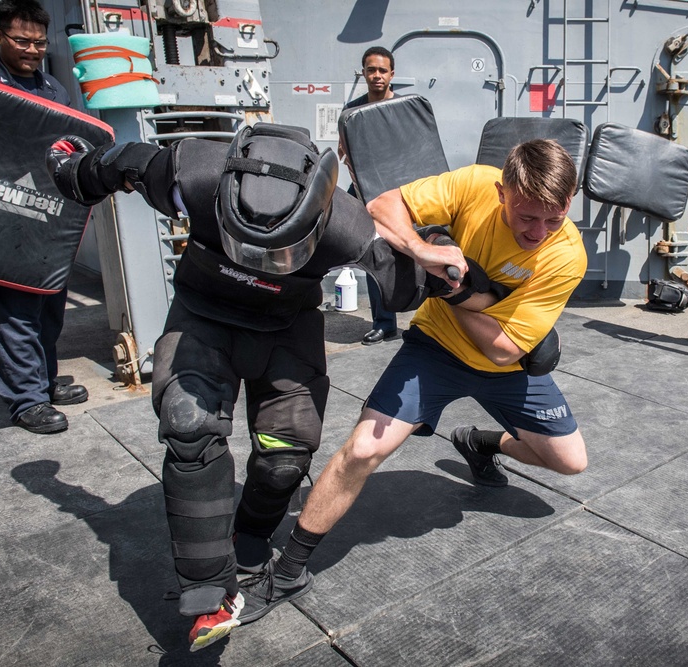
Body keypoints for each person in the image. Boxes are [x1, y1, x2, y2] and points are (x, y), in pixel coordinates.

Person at [45, 122, 466, 651]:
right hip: (203, 314)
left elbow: (414, 282)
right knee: (189, 426)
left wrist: (453, 262)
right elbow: (117, 164)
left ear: (317, 221)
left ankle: (248, 535)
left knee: (287, 452)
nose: (261, 263)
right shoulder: (193, 173)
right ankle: (207, 587)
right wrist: (72, 168)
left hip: (286, 326)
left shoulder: (347, 226)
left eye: (277, 253)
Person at [237, 139, 590, 623]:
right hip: (436, 349)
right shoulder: (474, 184)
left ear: (569, 202)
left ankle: (480, 442)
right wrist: (424, 250)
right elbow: (383, 207)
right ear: (501, 192)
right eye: (527, 217)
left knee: (570, 462)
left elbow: (504, 348)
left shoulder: (566, 255)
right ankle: (290, 570)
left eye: (554, 218)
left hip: (504, 366)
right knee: (362, 450)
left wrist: (448, 289)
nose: (539, 232)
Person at [0, 0, 88, 434]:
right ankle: (26, 401)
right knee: (14, 311)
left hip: (46, 219)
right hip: (0, 217)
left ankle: (43, 381)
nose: (32, 50)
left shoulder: (54, 90)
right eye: (22, 41)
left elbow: (67, 148)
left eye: (39, 43)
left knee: (49, 305)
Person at [339, 46, 399, 344]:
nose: (377, 75)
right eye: (371, 70)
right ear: (363, 72)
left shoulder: (404, 108)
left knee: (410, 253)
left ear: (392, 74)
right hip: (364, 191)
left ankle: (428, 321)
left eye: (382, 70)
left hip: (400, 192)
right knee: (371, 254)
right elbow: (344, 153)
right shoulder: (351, 111)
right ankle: (384, 323)